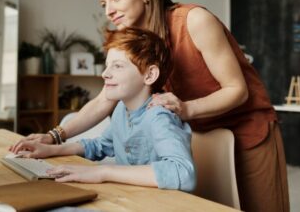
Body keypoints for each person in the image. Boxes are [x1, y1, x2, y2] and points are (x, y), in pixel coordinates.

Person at [11, 0, 289, 211]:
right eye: (103, 3)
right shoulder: (133, 39)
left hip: (247, 130)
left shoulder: (194, 20)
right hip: (199, 131)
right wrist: (53, 136)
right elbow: (103, 100)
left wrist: (186, 108)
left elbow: (236, 90)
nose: (109, 10)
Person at [12, 27, 196, 191]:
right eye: (107, 65)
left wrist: (104, 172)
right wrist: (51, 149)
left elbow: (183, 173)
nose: (105, 73)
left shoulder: (159, 116)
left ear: (149, 75)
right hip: (129, 198)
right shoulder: (121, 109)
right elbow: (102, 145)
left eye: (117, 66)